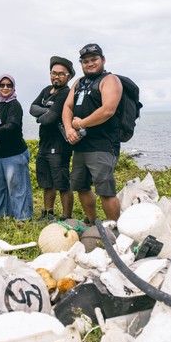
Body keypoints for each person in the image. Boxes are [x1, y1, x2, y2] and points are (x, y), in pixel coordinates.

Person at [62, 43, 123, 223]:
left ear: (103, 60)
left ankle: (116, 229)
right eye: (85, 61)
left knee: (105, 190)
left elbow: (108, 110)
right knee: (81, 186)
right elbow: (67, 106)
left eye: (94, 59)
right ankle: (92, 222)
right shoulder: (79, 82)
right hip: (81, 145)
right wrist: (68, 129)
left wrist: (81, 124)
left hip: (102, 145)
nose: (90, 63)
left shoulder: (109, 80)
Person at [0, 74, 33, 227]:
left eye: (8, 85)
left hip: (15, 153)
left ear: (13, 87)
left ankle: (22, 217)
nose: (5, 88)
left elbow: (12, 126)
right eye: (2, 85)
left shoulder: (14, 105)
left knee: (17, 186)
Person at [30, 56, 75, 222]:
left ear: (69, 76)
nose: (56, 76)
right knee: (47, 182)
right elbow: (32, 108)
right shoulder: (46, 90)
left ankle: (66, 218)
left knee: (62, 183)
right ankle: (48, 214)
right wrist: (46, 113)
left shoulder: (66, 93)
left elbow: (50, 118)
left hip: (60, 146)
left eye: (61, 74)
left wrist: (42, 115)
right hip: (44, 144)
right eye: (54, 73)